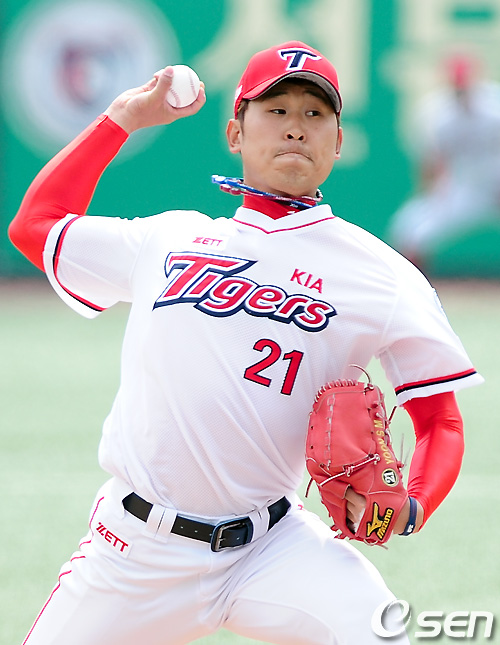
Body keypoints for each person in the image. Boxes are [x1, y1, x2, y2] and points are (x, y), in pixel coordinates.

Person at [9, 41, 482, 645]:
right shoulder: (168, 240)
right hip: (133, 552)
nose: (296, 128)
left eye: (315, 114)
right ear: (235, 132)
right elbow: (35, 225)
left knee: (384, 635)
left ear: (338, 141)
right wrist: (121, 119)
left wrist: (412, 507)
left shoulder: (382, 276)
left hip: (272, 548)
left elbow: (441, 421)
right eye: (276, 110)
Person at [387, 53, 500, 270]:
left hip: (496, 179)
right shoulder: (436, 112)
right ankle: (413, 282)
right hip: (467, 186)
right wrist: (432, 194)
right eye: (458, 85)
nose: (462, 90)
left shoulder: (494, 105)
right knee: (409, 228)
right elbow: (431, 161)